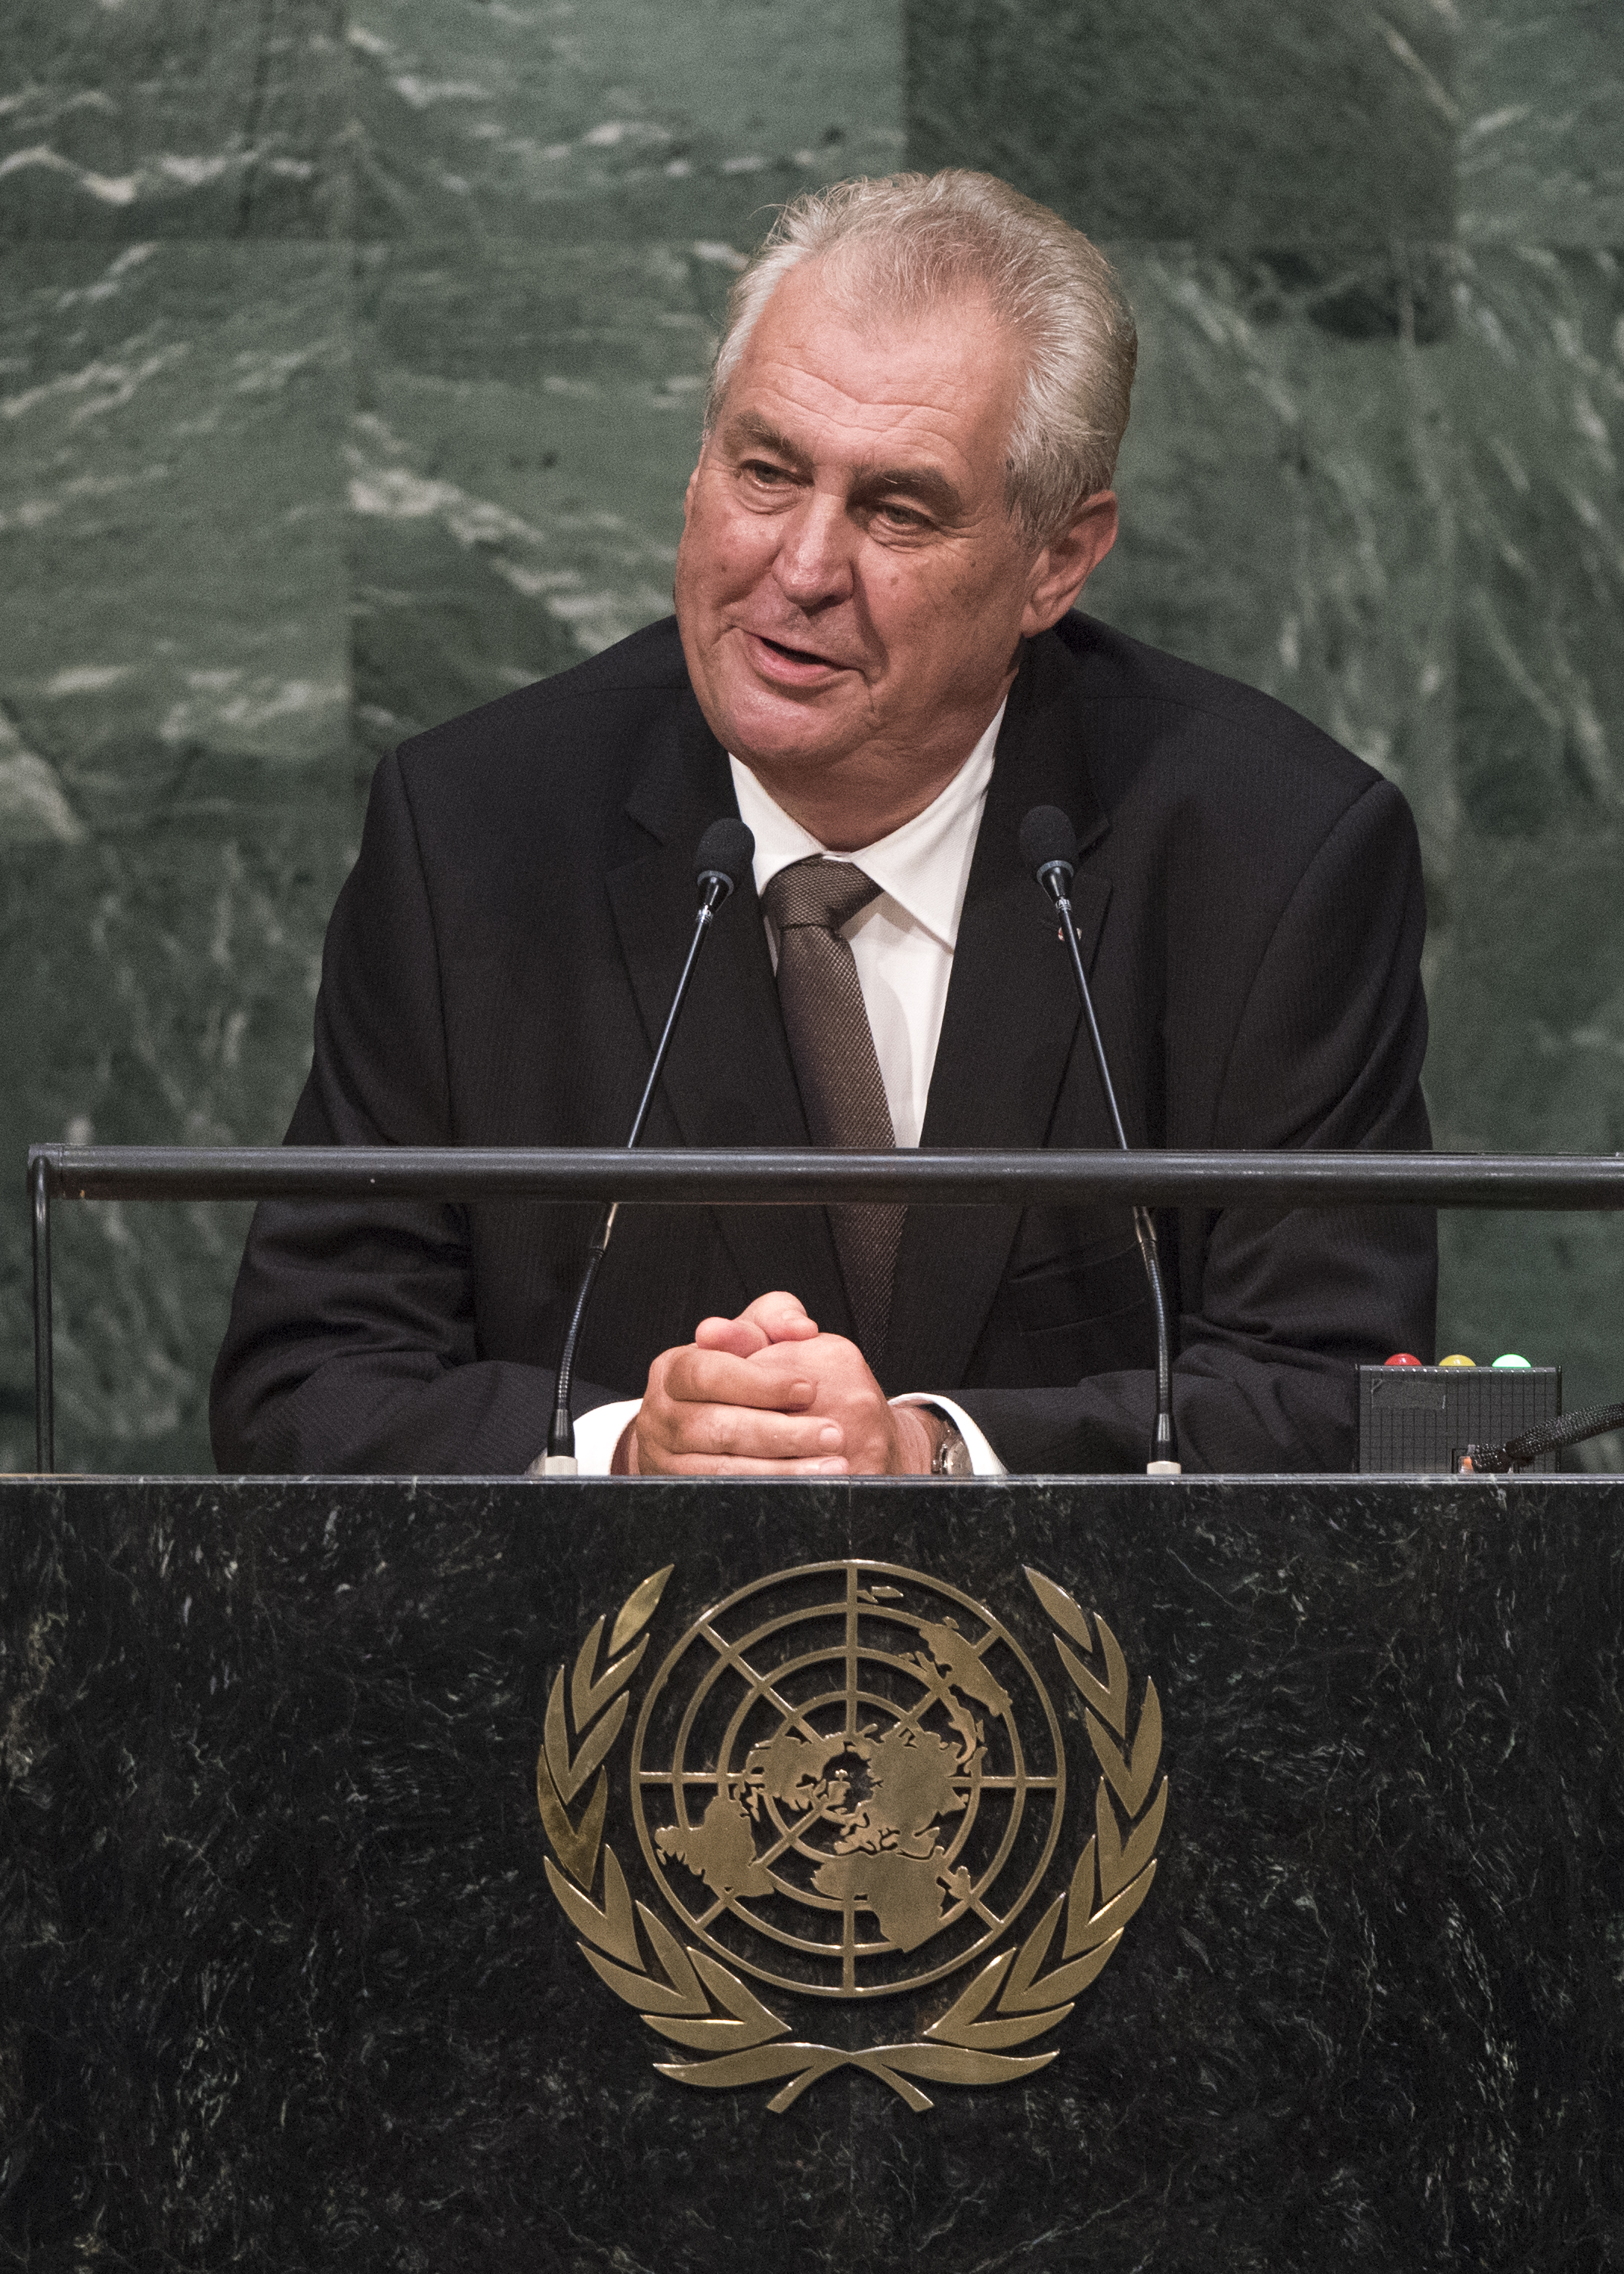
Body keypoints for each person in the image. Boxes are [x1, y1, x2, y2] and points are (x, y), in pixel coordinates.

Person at [209, 169, 1433, 1477]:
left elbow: (1337, 1392)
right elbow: (306, 1384)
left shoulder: (1273, 855)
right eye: (764, 472)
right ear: (697, 468)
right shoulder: (474, 833)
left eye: (897, 511)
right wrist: (625, 1451)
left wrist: (934, 1451)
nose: (799, 570)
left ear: (1056, 562)